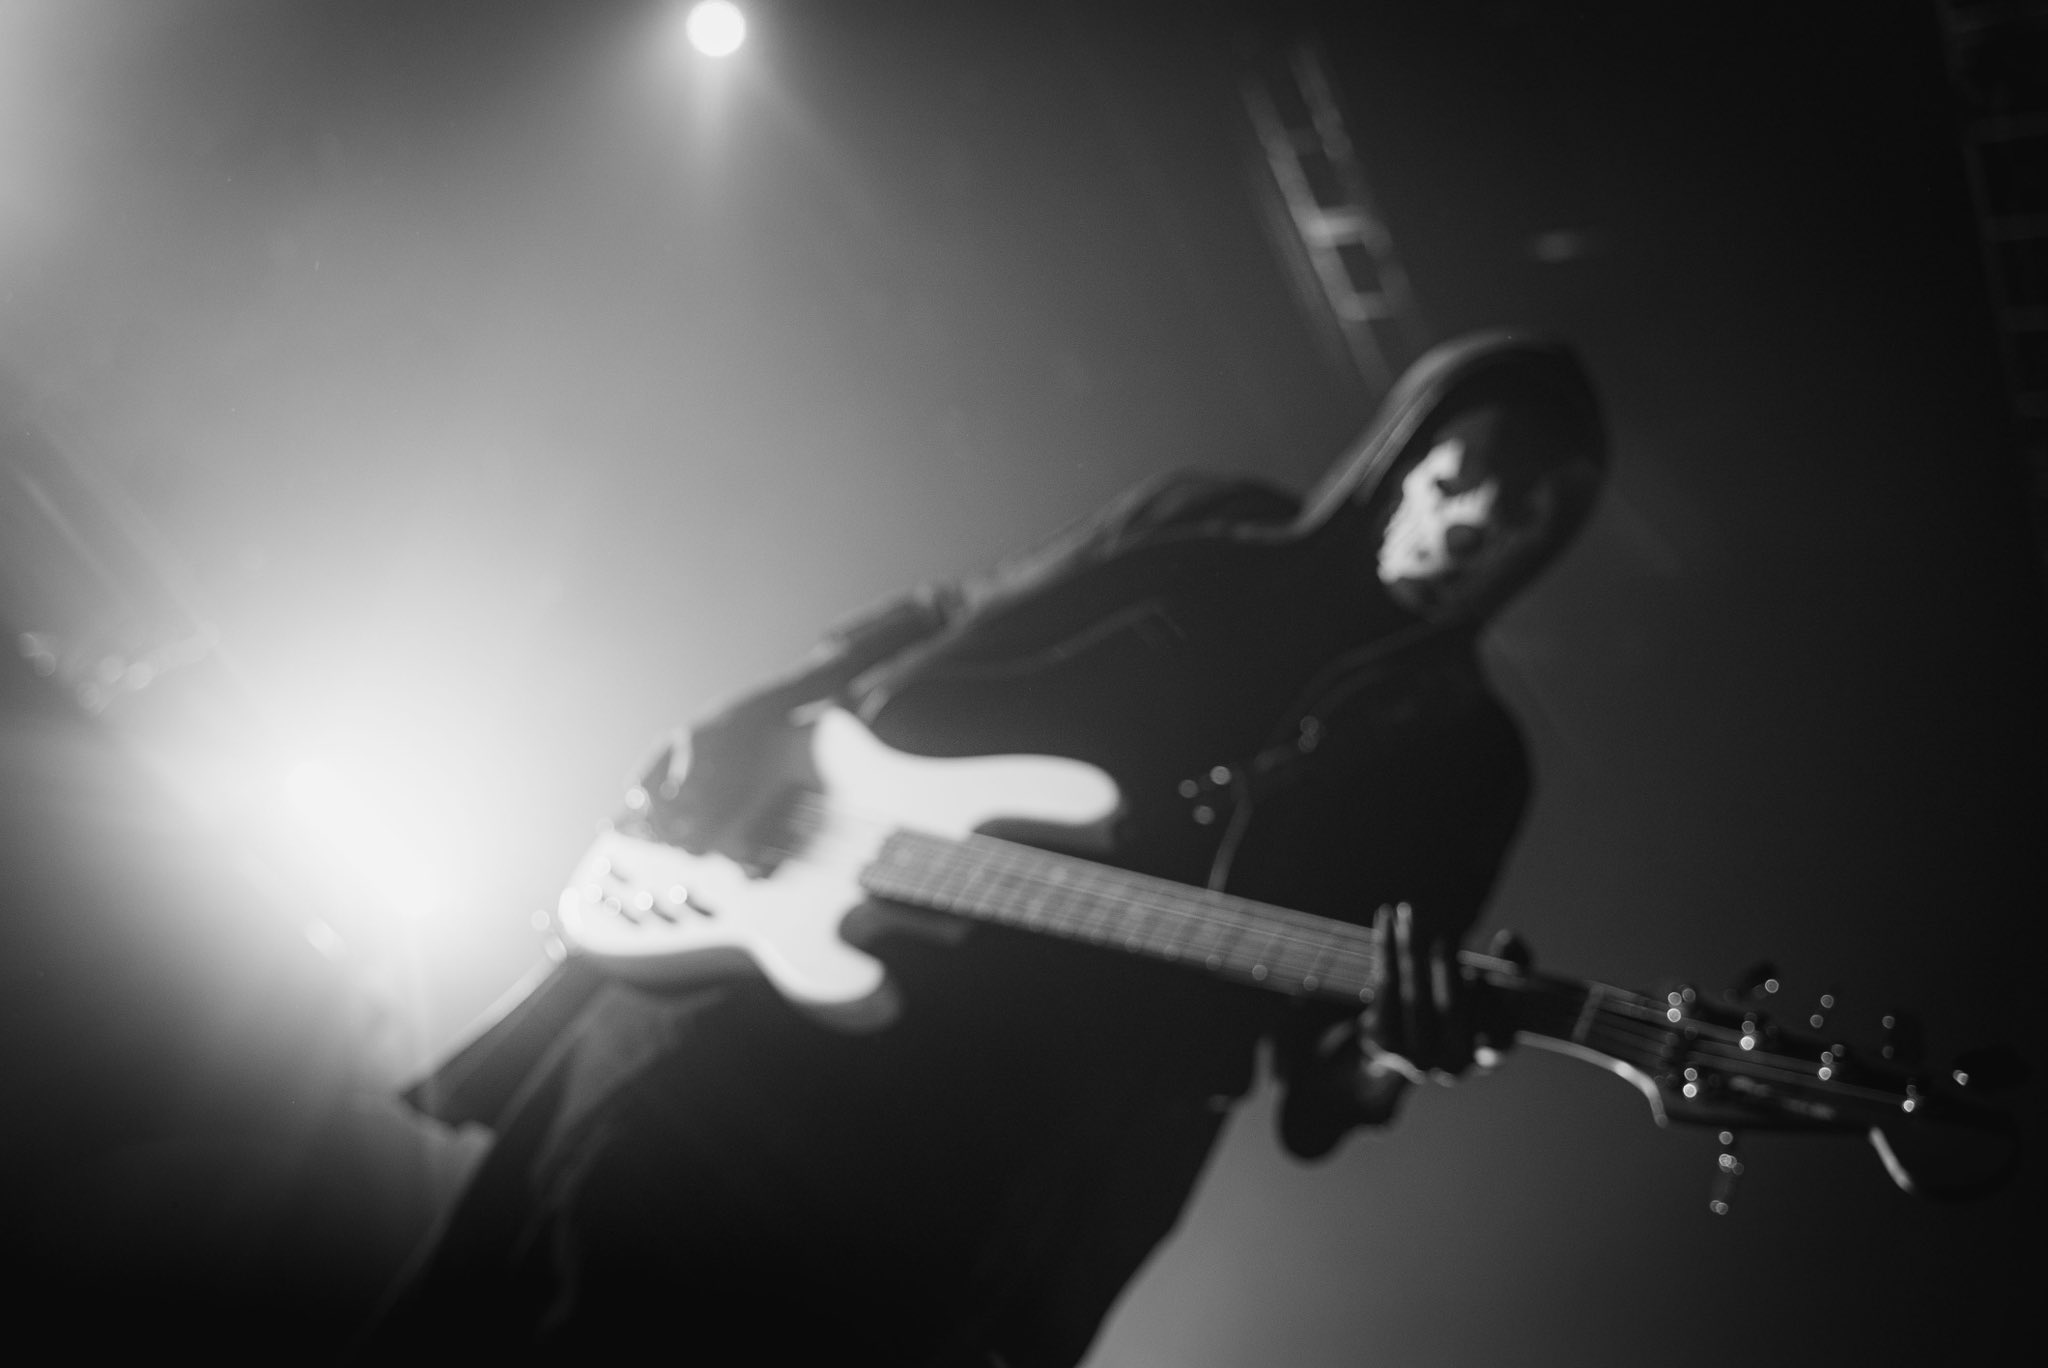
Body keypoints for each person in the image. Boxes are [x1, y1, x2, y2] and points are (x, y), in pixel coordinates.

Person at [372, 329, 1608, 1364]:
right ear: (1403, 452)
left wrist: (1393, 1056)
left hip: (972, 1167)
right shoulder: (1211, 524)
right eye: (1462, 480)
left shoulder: (1466, 763)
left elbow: (1319, 1094)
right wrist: (754, 712)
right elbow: (952, 609)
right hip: (745, 1003)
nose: (1475, 528)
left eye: (1523, 521)